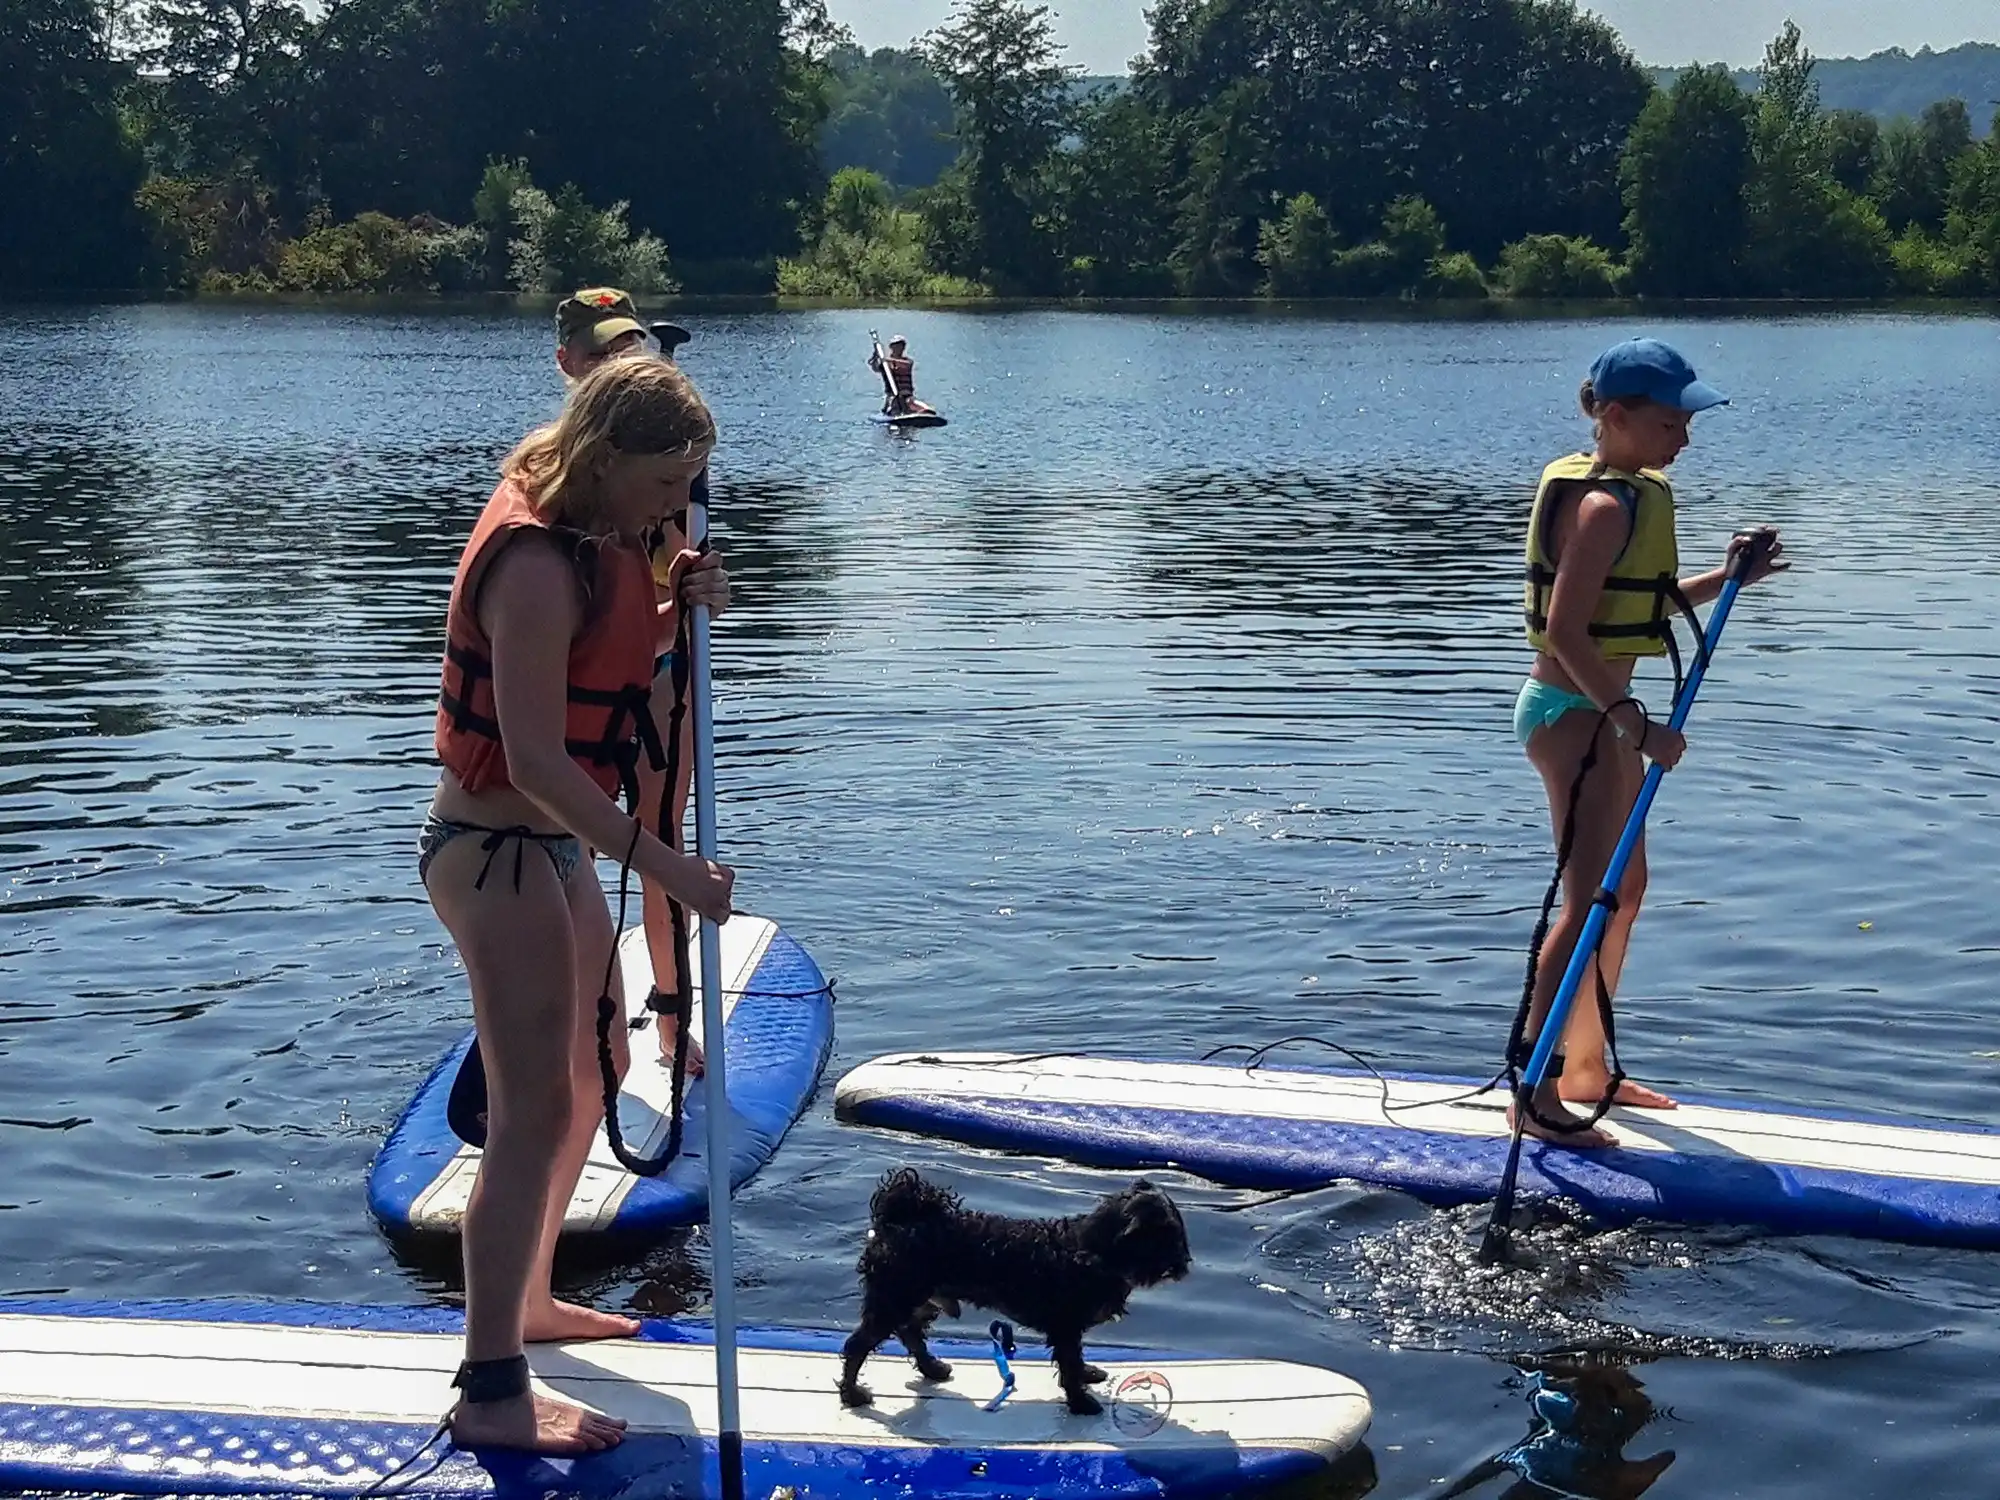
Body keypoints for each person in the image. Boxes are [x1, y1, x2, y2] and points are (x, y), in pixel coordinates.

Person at [422, 354, 735, 1453]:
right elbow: (537, 761)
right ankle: (490, 1389)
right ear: (604, 459)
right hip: (494, 854)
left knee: (595, 1068)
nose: (676, 504)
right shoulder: (534, 567)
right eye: (664, 483)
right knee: (533, 1114)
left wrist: (675, 610)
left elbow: (603, 662)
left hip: (547, 853)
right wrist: (667, 869)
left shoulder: (594, 541)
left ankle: (529, 1299)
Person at [1512, 338, 1786, 1148]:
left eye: (1687, 422)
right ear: (1615, 416)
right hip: (1573, 715)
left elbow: (1644, 605)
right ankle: (1535, 1088)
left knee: (1625, 889)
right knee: (1589, 900)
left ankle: (1586, 1067)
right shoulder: (1600, 506)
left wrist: (1728, 579)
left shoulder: (1637, 498)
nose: (1684, 438)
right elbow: (1566, 631)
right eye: (1670, 423)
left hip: (1602, 715)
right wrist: (1634, 722)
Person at [556, 289, 722, 1074]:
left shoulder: (665, 453)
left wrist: (698, 588)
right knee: (572, 846)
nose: (615, 362)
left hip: (658, 664)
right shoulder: (554, 481)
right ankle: (584, 1020)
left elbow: (682, 554)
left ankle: (670, 1018)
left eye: (628, 349)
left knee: (660, 839)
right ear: (567, 363)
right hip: (585, 670)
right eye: (600, 353)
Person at [867, 335, 936, 416]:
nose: (900, 348)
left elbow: (903, 364)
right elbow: (875, 368)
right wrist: (876, 356)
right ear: (891, 347)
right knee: (895, 407)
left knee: (927, 409)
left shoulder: (907, 361)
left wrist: (884, 359)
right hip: (893, 397)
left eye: (902, 345)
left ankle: (919, 412)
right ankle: (893, 412)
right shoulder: (885, 365)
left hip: (908, 397)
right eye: (897, 345)